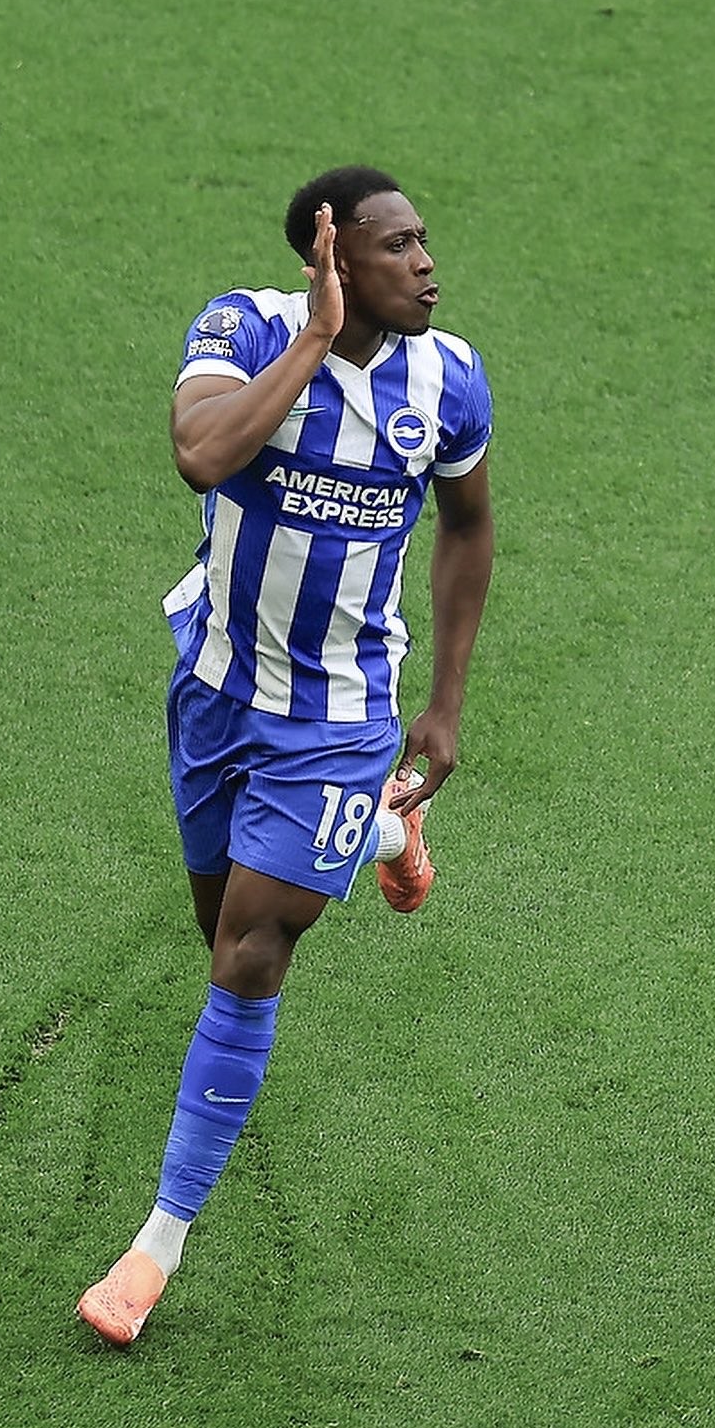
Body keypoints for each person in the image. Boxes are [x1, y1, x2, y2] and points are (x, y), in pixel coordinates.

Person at [77, 164, 495, 1345]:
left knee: (252, 951)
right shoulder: (246, 328)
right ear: (333, 250)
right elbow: (202, 452)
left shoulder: (448, 379)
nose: (426, 263)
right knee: (217, 918)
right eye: (398, 245)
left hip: (339, 715)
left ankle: (156, 1245)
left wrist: (444, 704)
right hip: (216, 691)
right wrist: (314, 340)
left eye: (425, 241)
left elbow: (469, 528)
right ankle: (383, 827)